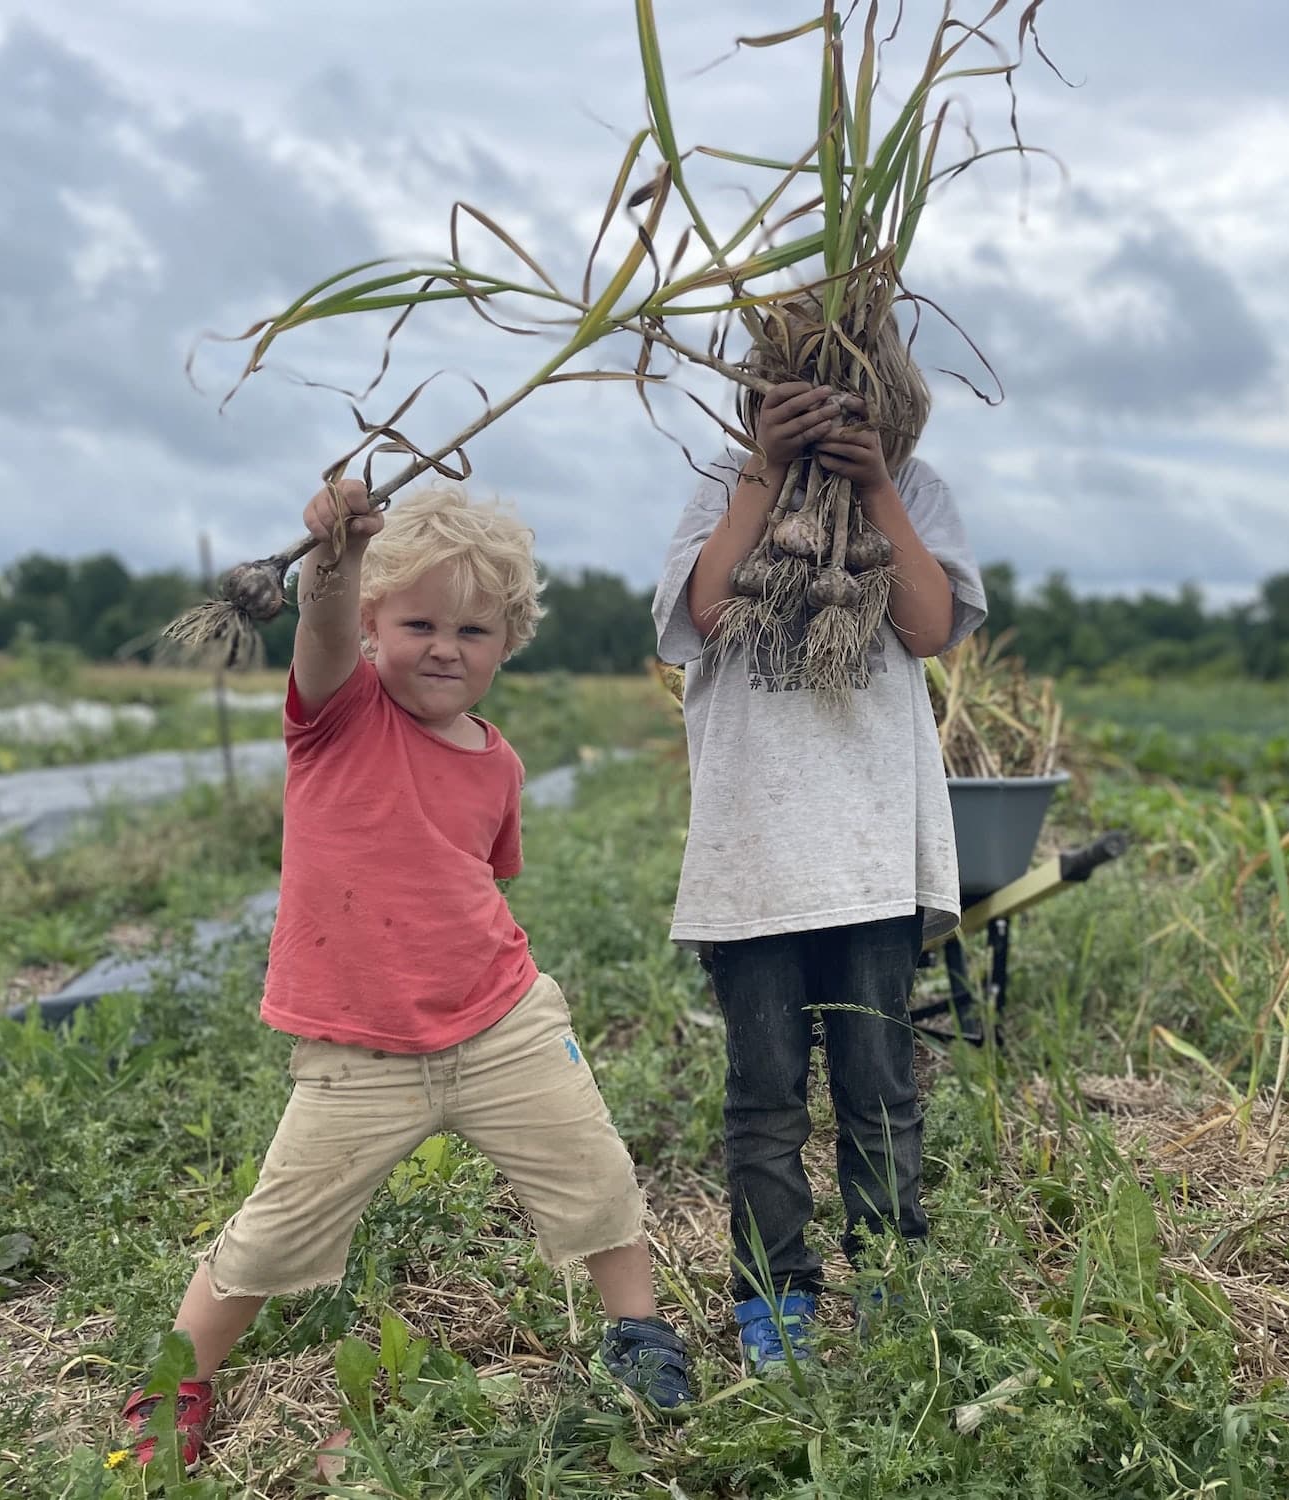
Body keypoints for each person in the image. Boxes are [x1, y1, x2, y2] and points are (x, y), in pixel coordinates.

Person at [121, 481, 691, 1469]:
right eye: (418, 621)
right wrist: (334, 562)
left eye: (472, 630)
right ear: (376, 626)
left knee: (596, 1177)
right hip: (356, 1054)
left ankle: (637, 1338)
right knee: (268, 1236)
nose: (443, 646)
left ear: (506, 643)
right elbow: (324, 627)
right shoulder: (338, 714)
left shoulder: (498, 763)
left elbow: (475, 880)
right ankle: (175, 1386)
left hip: (500, 1020)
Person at [651, 313, 986, 1374]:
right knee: (762, 1091)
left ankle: (892, 1278)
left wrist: (875, 485)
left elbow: (928, 628)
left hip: (872, 847)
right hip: (753, 855)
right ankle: (773, 1298)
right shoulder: (722, 482)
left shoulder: (917, 488)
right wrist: (763, 472)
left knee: (878, 1081)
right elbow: (703, 611)